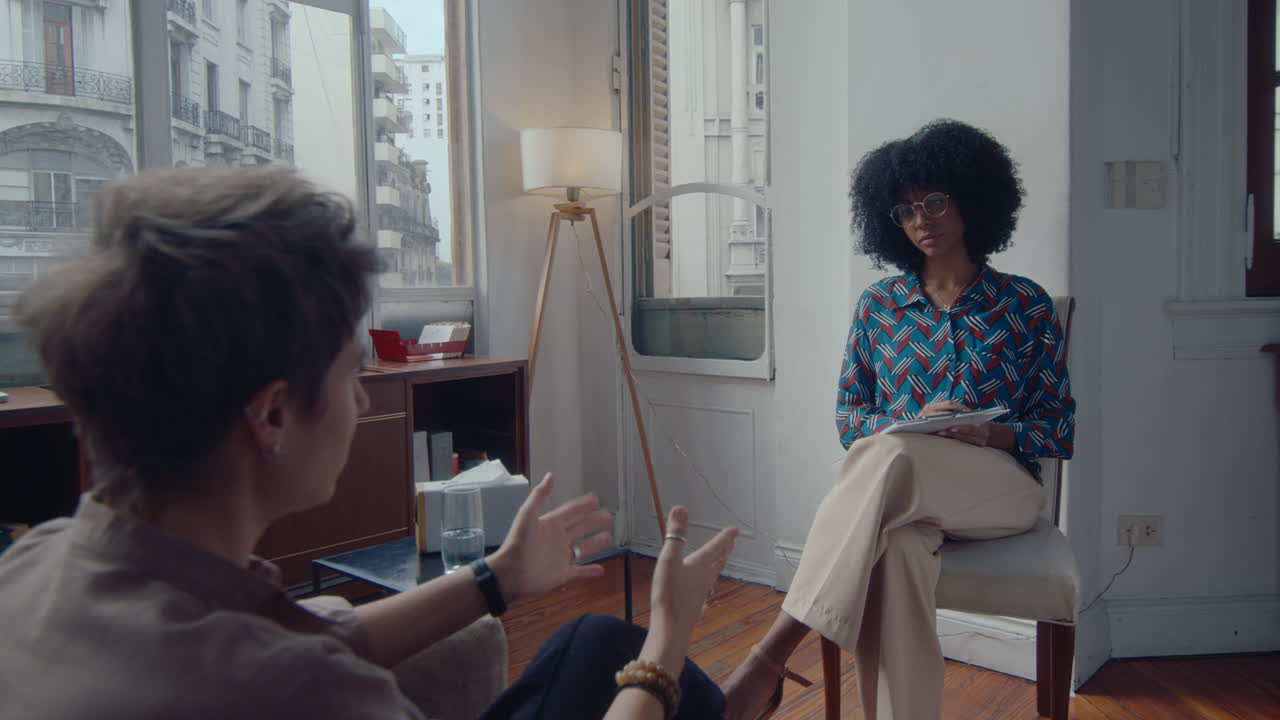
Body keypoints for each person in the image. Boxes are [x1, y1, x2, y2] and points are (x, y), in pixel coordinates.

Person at [0, 166, 738, 720]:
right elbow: (297, 662)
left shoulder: (36, 563)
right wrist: (668, 641)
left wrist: (498, 577)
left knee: (590, 643)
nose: (360, 402)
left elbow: (302, 630)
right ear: (273, 416)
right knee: (632, 656)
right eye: (354, 375)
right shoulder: (307, 694)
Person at [721, 119, 1076, 720]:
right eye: (905, 211)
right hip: (903, 496)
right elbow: (850, 415)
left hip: (1001, 491)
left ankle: (771, 653)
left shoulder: (1024, 304)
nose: (922, 220)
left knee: (892, 458)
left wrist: (991, 431)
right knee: (896, 545)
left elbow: (1059, 428)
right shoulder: (879, 309)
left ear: (972, 199)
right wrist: (913, 422)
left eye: (935, 201)